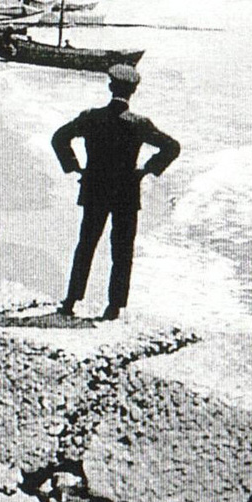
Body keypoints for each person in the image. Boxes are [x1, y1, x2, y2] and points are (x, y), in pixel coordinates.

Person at [51, 64, 180, 321]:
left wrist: (76, 168)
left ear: (111, 87)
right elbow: (172, 147)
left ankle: (70, 301)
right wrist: (146, 170)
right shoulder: (139, 123)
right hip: (126, 194)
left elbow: (59, 138)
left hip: (95, 190)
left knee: (86, 246)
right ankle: (114, 307)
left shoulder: (91, 117)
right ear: (133, 92)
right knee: (122, 251)